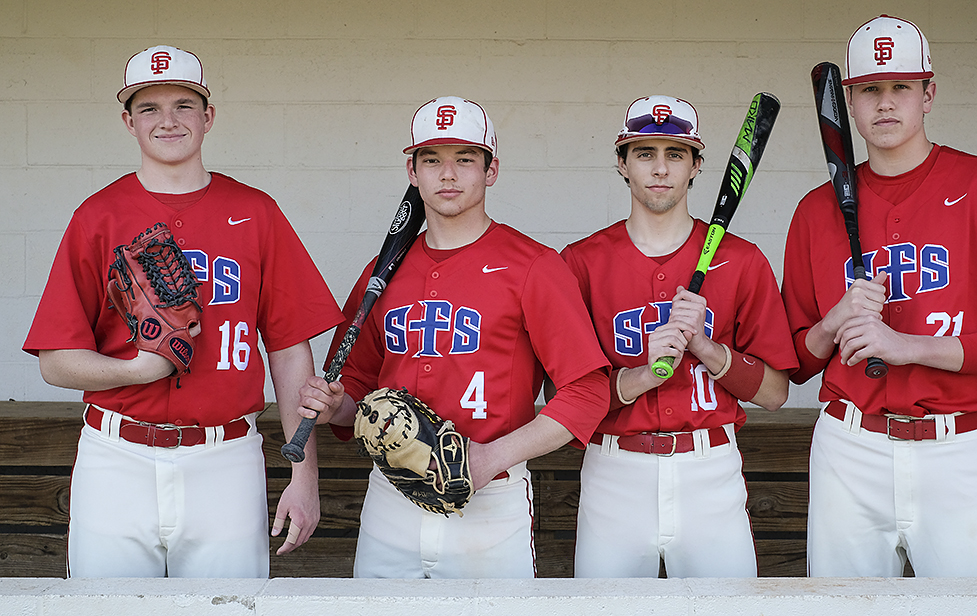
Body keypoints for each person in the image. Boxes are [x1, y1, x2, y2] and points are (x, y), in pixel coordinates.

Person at [22, 45, 344, 577]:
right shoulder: (98, 216)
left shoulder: (255, 212)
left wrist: (303, 475)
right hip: (115, 454)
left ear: (208, 117)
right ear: (128, 122)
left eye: (183, 105)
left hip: (226, 457)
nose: (167, 120)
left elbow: (289, 354)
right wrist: (136, 369)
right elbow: (55, 361)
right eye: (149, 107)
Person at [781, 15, 977, 577]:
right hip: (850, 445)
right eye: (869, 89)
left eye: (901, 88)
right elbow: (794, 363)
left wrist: (908, 346)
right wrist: (832, 323)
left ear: (928, 94)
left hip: (959, 448)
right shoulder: (815, 210)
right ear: (849, 100)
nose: (885, 103)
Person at [295, 96, 610, 578]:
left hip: (491, 500)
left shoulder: (533, 266)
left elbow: (587, 393)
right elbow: (356, 388)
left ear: (491, 170)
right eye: (432, 159)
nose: (447, 174)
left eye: (465, 159)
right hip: (390, 497)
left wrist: (488, 458)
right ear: (412, 170)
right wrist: (335, 405)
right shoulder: (384, 273)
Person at [560, 95, 798, 578]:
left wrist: (707, 349)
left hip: (710, 469)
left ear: (696, 166)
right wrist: (643, 376)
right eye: (645, 153)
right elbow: (560, 397)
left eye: (676, 153)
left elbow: (775, 393)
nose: (661, 168)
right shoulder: (580, 263)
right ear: (622, 165)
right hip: (615, 471)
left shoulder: (742, 259)